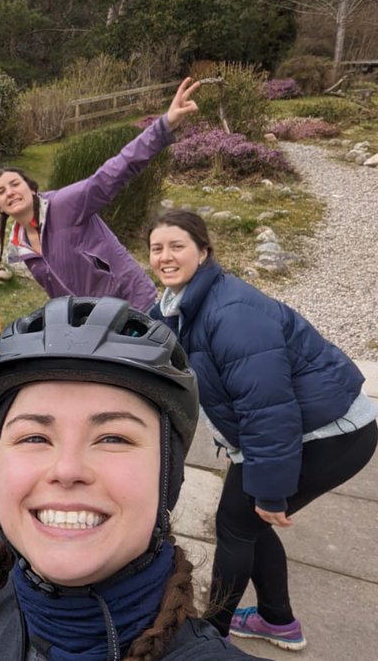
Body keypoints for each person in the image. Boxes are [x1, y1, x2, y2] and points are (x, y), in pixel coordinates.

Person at [0, 296, 257, 660]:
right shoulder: (1, 596)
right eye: (34, 437)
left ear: (167, 478)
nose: (67, 470)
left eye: (113, 438)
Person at [147, 210, 377, 651]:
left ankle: (209, 634)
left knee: (236, 524)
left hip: (333, 435)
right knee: (249, 524)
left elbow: (268, 410)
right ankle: (277, 620)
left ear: (203, 251)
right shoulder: (183, 301)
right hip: (308, 431)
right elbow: (152, 326)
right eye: (157, 248)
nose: (166, 256)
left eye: (177, 246)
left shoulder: (231, 312)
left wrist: (271, 490)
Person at [0, 77, 202, 312]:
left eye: (15, 184)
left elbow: (114, 171)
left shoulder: (64, 205)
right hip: (92, 324)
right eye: (1, 191)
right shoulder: (22, 248)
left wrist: (163, 126)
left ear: (30, 188)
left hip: (132, 304)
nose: (10, 192)